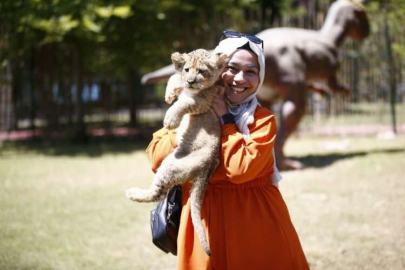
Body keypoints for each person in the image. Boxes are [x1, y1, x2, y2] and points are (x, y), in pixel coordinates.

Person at [146, 31, 310, 270]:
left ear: (260, 78)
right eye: (231, 68)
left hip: (255, 226)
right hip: (201, 221)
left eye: (251, 71)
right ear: (216, 69)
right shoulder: (187, 113)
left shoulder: (262, 120)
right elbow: (157, 159)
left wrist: (224, 118)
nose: (240, 78)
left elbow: (239, 169)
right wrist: (192, 117)